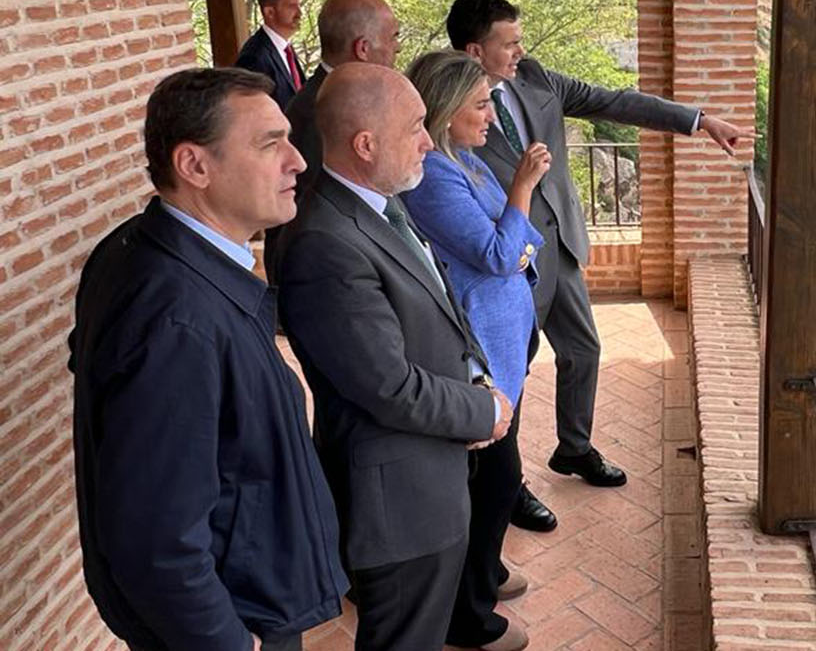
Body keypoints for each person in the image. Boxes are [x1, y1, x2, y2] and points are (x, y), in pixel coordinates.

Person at [446, 0, 753, 529]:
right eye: (509, 43)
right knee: (506, 374)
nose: (520, 50)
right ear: (474, 51)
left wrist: (699, 121)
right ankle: (507, 483)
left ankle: (574, 446)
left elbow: (616, 101)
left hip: (558, 245)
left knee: (583, 348)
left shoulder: (536, 78)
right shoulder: (447, 109)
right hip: (505, 263)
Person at [69, 68, 346, 651]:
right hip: (231, 623)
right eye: (271, 144)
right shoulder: (177, 319)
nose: (297, 161)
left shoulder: (140, 248)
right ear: (195, 166)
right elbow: (156, 544)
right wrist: (226, 641)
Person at [276, 63, 522, 651]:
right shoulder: (326, 244)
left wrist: (477, 375)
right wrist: (481, 411)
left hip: (427, 480)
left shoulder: (380, 200)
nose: (429, 141)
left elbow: (438, 310)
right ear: (366, 144)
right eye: (415, 126)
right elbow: (386, 385)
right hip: (397, 507)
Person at [401, 50, 549, 643]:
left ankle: (484, 574)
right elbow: (495, 254)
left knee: (495, 475)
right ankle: (468, 612)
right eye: (481, 104)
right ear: (446, 110)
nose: (492, 116)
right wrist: (522, 190)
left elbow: (524, 245)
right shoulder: (437, 175)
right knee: (492, 479)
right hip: (481, 349)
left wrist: (512, 240)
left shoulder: (466, 160)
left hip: (505, 341)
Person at [265, 0, 401, 284]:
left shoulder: (345, 98)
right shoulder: (321, 112)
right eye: (393, 37)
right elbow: (328, 212)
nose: (398, 48)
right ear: (363, 49)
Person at [235, 0, 306, 109]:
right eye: (292, 6)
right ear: (269, 12)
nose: (300, 13)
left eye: (299, 5)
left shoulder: (284, 48)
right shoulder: (254, 57)